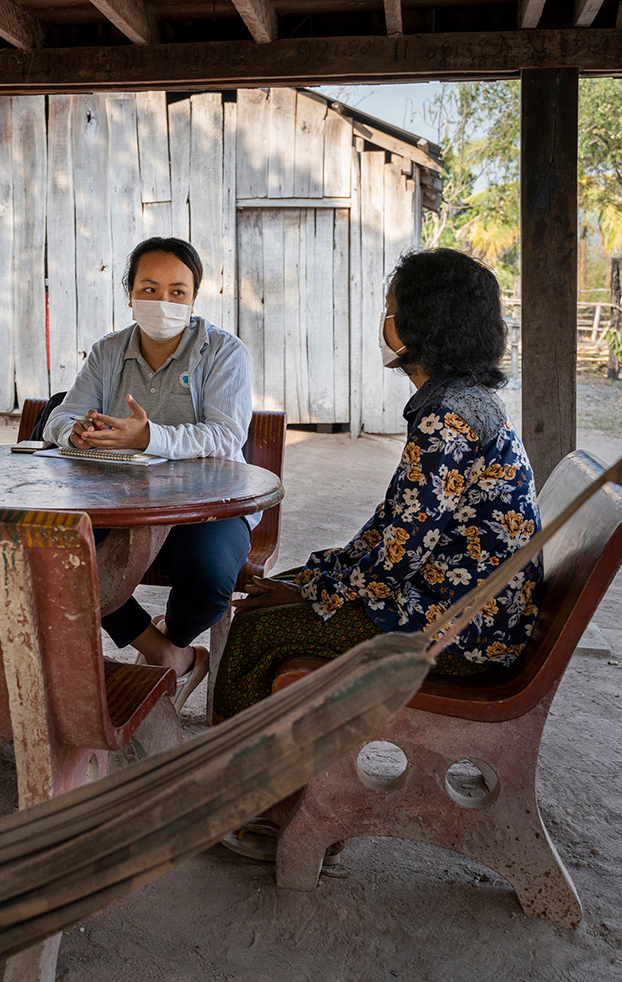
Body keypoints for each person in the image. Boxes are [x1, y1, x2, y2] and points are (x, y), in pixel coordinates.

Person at [215, 247, 542, 860]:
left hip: (460, 632)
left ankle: (258, 810)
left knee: (255, 632)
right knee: (277, 598)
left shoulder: (449, 418)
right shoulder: (458, 402)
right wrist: (316, 576)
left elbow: (395, 558)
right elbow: (395, 533)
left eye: (392, 308)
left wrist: (312, 590)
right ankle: (275, 795)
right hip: (464, 610)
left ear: (424, 324)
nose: (383, 319)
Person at [43, 237, 253, 695]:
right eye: (150, 288)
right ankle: (164, 653)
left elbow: (226, 436)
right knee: (62, 558)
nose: (163, 301)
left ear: (195, 296)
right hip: (118, 501)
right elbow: (61, 415)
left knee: (210, 580)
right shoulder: (108, 352)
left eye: (178, 291)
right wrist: (73, 431)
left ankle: (175, 638)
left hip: (208, 503)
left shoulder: (223, 352)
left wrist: (149, 436)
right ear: (131, 293)